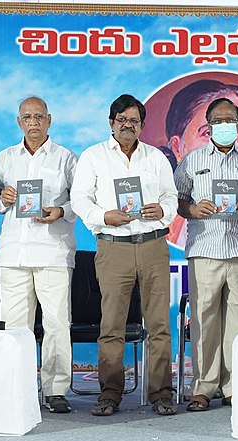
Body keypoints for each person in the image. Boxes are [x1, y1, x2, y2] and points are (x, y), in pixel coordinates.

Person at [71, 94, 178, 416]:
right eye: (122, 120)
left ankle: (161, 393)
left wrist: (162, 210)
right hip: (113, 246)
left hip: (153, 244)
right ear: (111, 123)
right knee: (112, 325)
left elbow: (170, 197)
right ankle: (110, 393)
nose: (128, 126)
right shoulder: (93, 156)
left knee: (159, 324)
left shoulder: (156, 157)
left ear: (142, 125)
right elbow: (79, 199)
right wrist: (105, 216)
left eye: (134, 121)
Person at [174, 97, 238, 412]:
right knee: (203, 320)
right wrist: (191, 208)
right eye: (220, 121)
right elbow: (177, 199)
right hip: (204, 249)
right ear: (211, 123)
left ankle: (234, 386)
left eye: (233, 121)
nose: (227, 126)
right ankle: (203, 387)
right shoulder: (192, 160)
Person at [0, 96, 78, 414]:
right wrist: (3, 198)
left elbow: (80, 201)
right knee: (15, 325)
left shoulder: (66, 158)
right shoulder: (4, 159)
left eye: (39, 116)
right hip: (14, 252)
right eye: (27, 117)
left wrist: (60, 210)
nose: (33, 122)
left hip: (53, 252)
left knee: (57, 323)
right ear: (19, 121)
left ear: (49, 120)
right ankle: (16, 386)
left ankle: (56, 390)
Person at [159, 79, 238, 247]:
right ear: (178, 148)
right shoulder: (162, 225)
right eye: (209, 132)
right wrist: (192, 210)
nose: (227, 140)